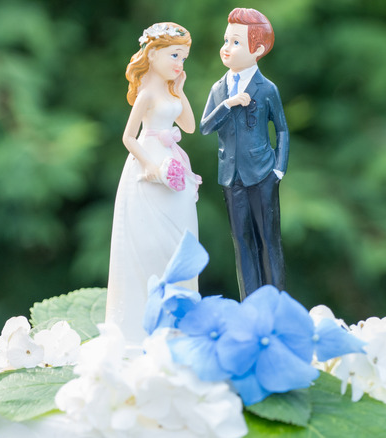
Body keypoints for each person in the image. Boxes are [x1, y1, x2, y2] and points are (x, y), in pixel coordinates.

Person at [106, 22, 202, 344]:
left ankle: (180, 321)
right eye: (175, 55)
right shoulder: (147, 94)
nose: (179, 63)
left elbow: (188, 126)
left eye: (184, 58)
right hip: (150, 164)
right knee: (148, 241)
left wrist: (182, 89)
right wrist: (149, 164)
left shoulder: (172, 91)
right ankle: (142, 323)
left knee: (179, 237)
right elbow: (128, 137)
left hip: (173, 162)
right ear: (154, 54)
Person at [199, 8, 289, 300]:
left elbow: (283, 130)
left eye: (235, 43)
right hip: (231, 175)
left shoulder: (267, 89)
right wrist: (229, 104)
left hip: (262, 173)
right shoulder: (219, 89)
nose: (226, 48)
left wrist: (279, 169)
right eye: (226, 41)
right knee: (242, 243)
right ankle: (250, 302)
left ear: (257, 49)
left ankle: (275, 301)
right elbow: (204, 127)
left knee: (269, 241)